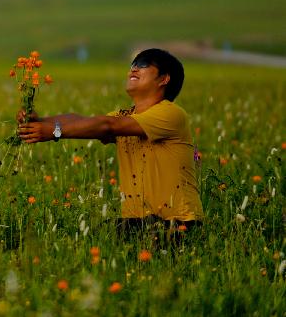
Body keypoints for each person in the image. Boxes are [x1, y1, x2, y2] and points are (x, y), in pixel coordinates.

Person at [18, 48, 203, 229]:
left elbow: (107, 125)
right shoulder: (127, 116)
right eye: (133, 64)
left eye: (143, 64)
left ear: (164, 79)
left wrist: (54, 131)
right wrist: (39, 121)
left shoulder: (170, 113)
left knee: (103, 233)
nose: (133, 69)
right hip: (139, 224)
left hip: (178, 225)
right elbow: (84, 121)